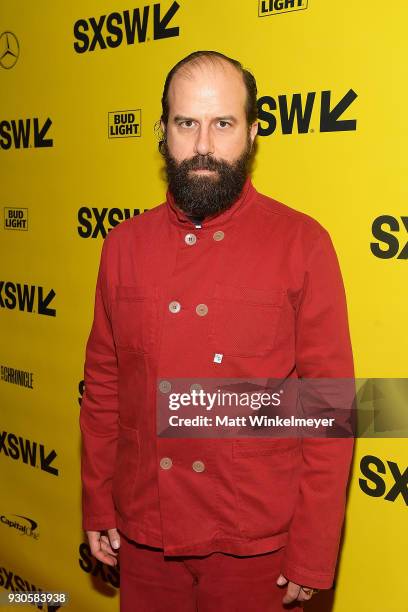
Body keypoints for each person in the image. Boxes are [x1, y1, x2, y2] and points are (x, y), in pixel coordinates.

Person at [79, 50, 355, 611]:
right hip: (144, 533)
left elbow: (329, 409)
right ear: (162, 132)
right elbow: (104, 389)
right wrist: (98, 505)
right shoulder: (123, 246)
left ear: (253, 133)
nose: (204, 145)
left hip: (256, 546)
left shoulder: (303, 243)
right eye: (187, 123)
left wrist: (312, 550)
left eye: (223, 123)